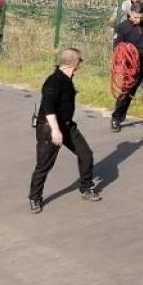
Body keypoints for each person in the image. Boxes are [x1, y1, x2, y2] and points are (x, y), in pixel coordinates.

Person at [28, 48, 102, 214]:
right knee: (44, 165)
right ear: (74, 63)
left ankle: (85, 188)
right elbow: (48, 108)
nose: (80, 65)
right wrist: (55, 131)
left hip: (67, 125)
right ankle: (34, 197)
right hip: (49, 128)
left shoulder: (67, 79)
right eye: (80, 62)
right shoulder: (54, 81)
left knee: (86, 154)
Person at [110, 1, 143, 133]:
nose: (138, 20)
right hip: (133, 64)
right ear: (130, 14)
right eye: (135, 17)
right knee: (127, 91)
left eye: (141, 17)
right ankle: (116, 118)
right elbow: (117, 48)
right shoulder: (122, 28)